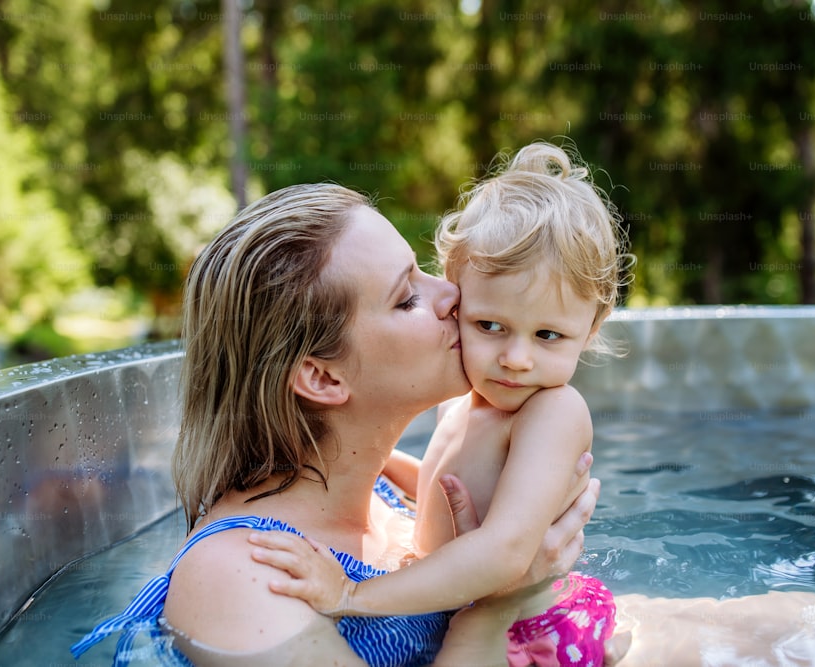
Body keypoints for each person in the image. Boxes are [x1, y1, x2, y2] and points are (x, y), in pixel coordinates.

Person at [70, 182, 605, 667]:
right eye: (407, 296)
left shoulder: (385, 493)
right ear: (322, 378)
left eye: (423, 269)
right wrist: (494, 606)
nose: (452, 297)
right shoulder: (248, 577)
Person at [248, 142, 632, 667]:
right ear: (459, 299)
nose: (516, 359)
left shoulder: (553, 412)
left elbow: (504, 552)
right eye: (489, 325)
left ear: (591, 328)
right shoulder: (468, 402)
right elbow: (438, 479)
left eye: (548, 335)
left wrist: (351, 597)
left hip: (533, 634)